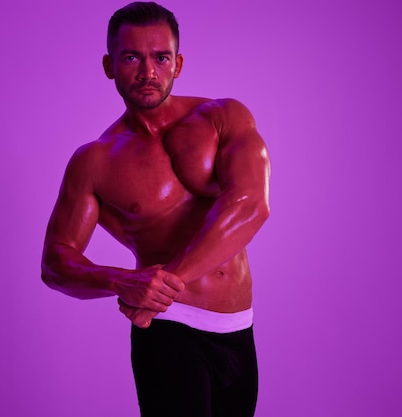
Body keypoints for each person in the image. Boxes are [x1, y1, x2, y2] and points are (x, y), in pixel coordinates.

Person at [41, 2, 270, 416]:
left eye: (160, 57)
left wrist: (165, 282)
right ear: (110, 66)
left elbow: (251, 205)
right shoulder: (95, 161)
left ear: (177, 63)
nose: (148, 71)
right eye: (131, 57)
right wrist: (121, 281)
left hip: (238, 328)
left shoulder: (224, 117)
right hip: (168, 330)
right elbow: (55, 262)